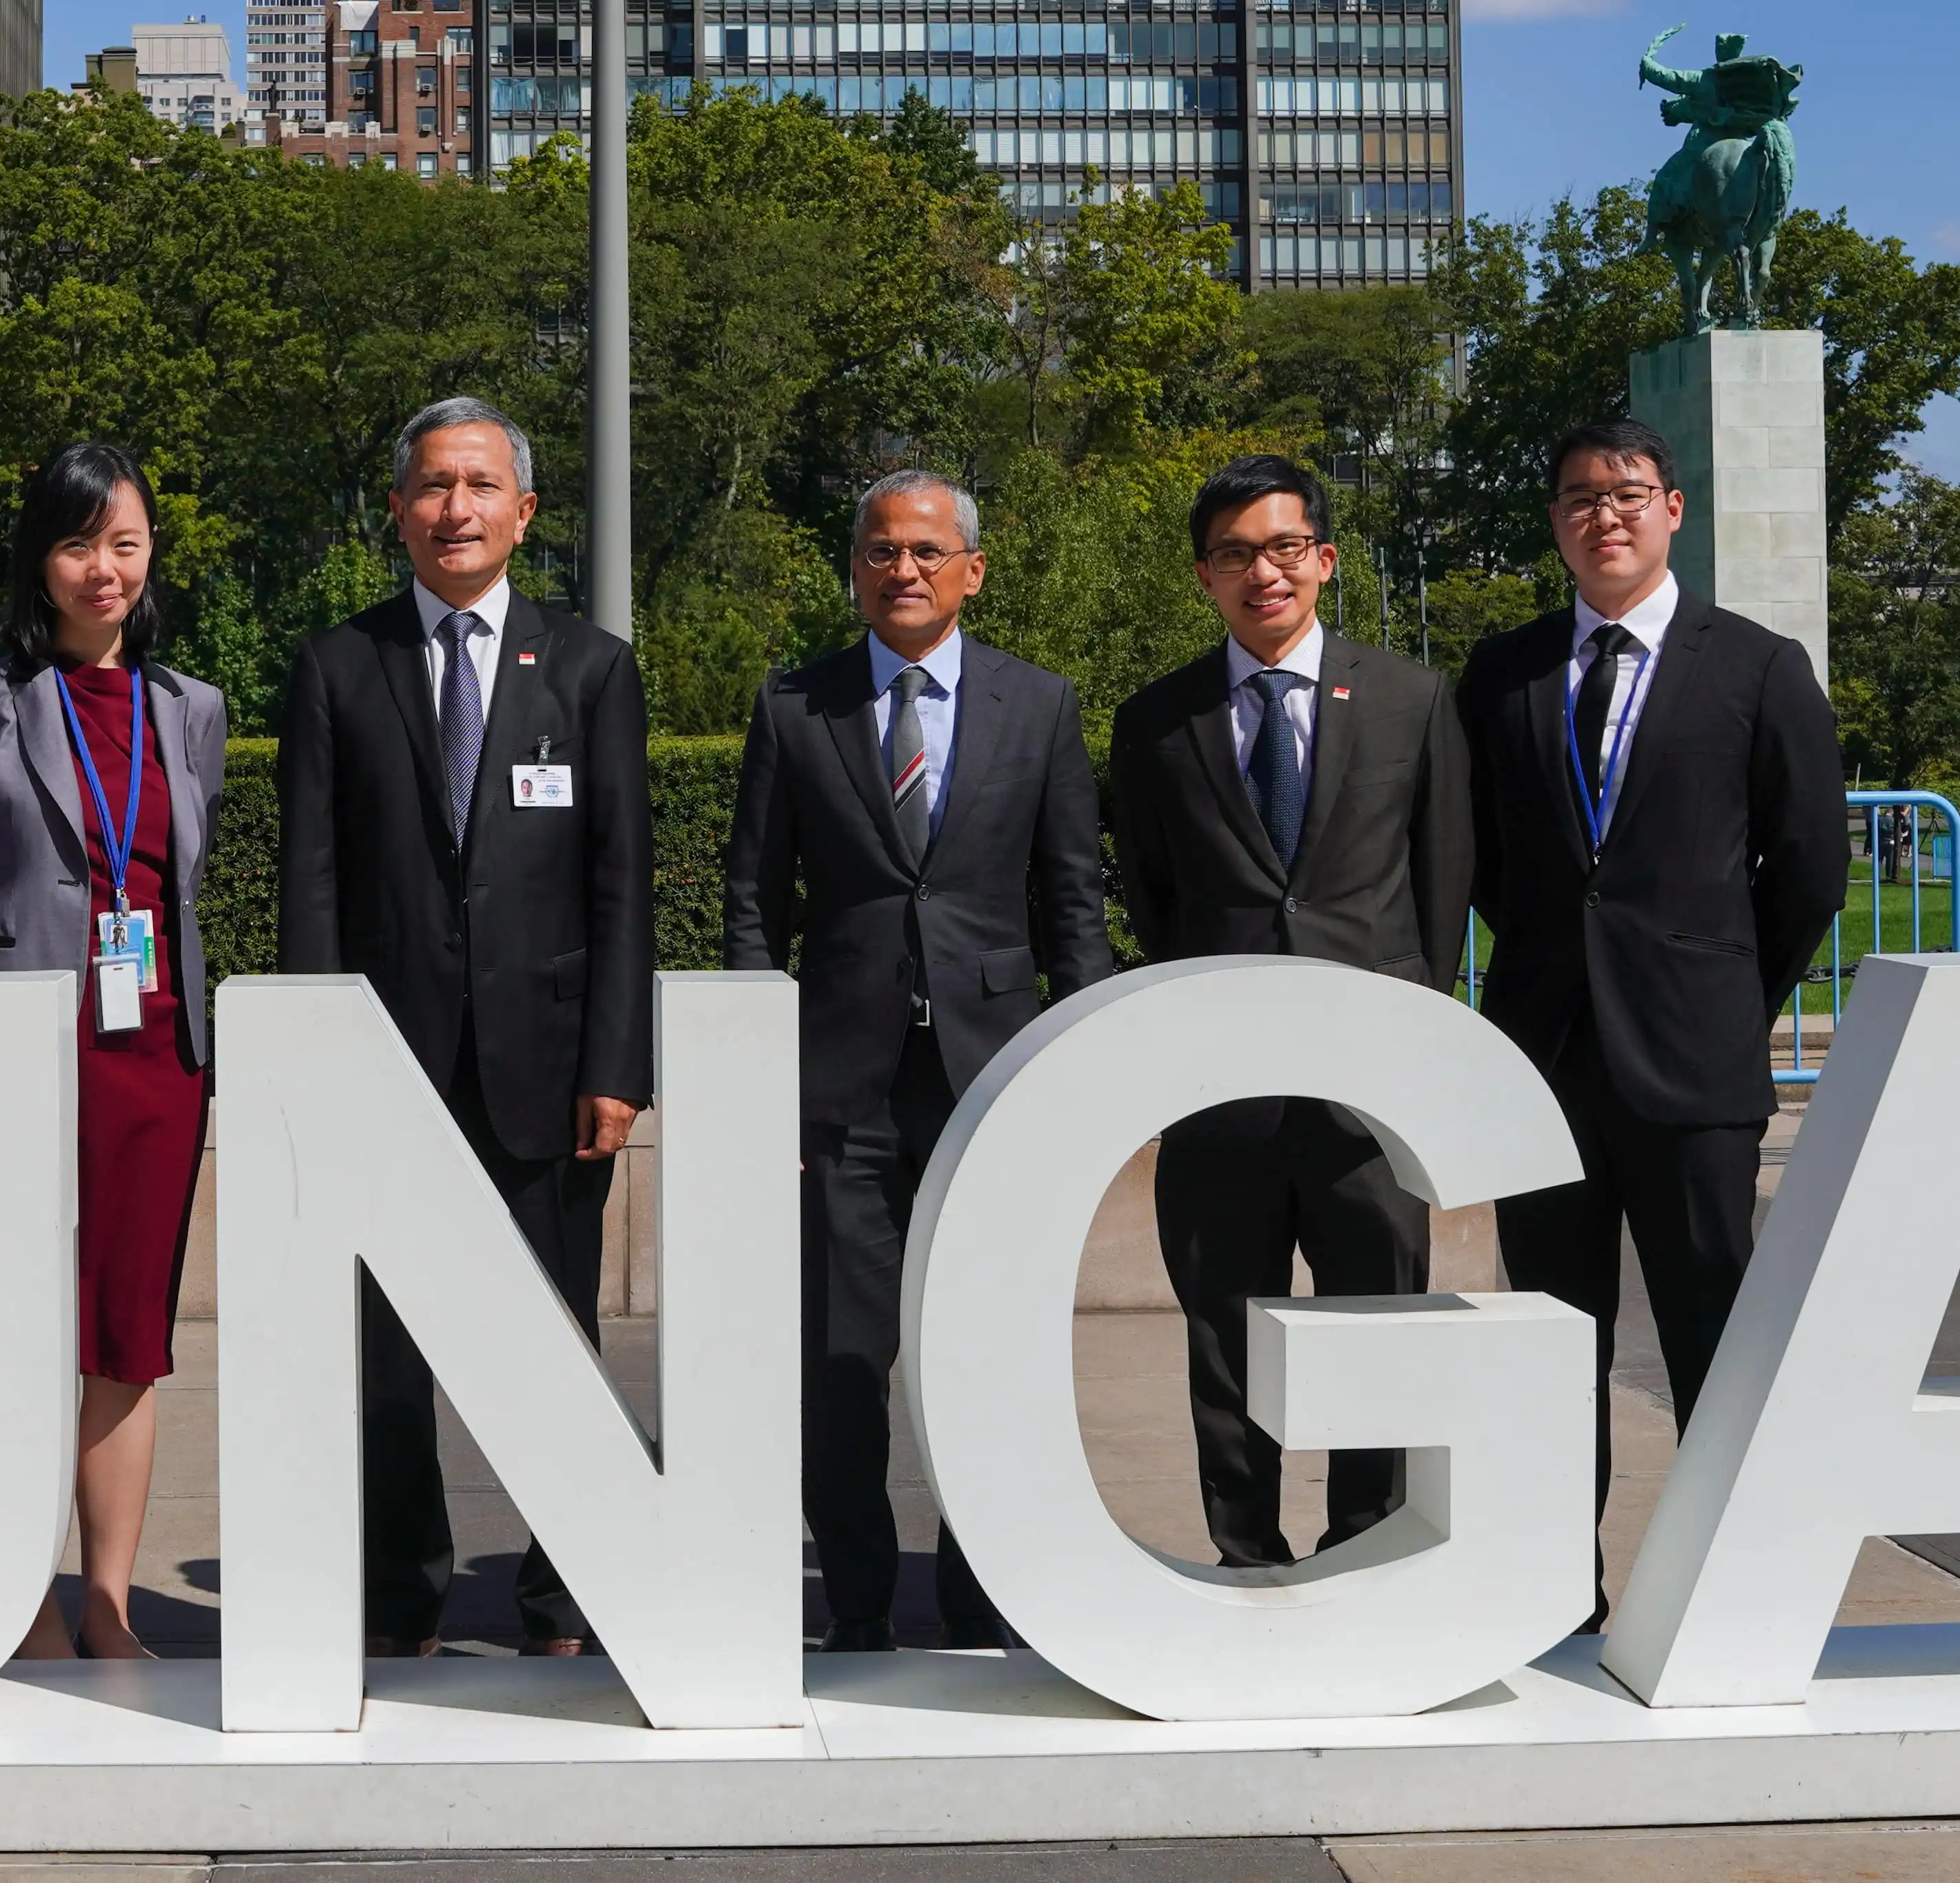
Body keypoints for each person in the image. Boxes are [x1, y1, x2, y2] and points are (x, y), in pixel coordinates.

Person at [278, 397, 653, 1658]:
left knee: (557, 1342)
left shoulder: (592, 669)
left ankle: (567, 1598)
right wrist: (318, 1066)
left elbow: (621, 886)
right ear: (398, 509)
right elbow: (312, 885)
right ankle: (399, 1603)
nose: (456, 508)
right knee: (385, 1359)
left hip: (547, 1075)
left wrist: (618, 1064)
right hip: (385, 1075)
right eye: (433, 484)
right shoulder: (339, 666)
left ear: (524, 511)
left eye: (481, 484)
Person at [1456, 417, 1845, 1626]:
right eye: (1578, 496)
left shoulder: (1758, 666)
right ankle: (1556, 1596)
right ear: (1556, 522)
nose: (1603, 513)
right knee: (1548, 1354)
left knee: (1713, 1344)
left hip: (1692, 1068)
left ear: (1676, 509)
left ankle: (1731, 1599)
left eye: (1627, 493)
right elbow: (1489, 863)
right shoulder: (1503, 673)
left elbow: (1814, 868)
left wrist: (1722, 989)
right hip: (1547, 1066)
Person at [724, 468, 1110, 1651]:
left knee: (988, 1355)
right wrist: (754, 1081)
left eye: (928, 552)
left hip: (994, 1085)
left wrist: (1085, 1078)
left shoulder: (1039, 706)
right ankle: (853, 1607)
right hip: (840, 1089)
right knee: (844, 1367)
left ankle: (984, 1599)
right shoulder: (798, 707)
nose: (905, 570)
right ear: (855, 568)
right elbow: (752, 901)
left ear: (972, 570)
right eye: (882, 551)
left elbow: (1071, 904)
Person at [1107, 455, 1472, 1572]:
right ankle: (1247, 1553)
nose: (1261, 572)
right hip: (1223, 1092)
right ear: (1204, 576)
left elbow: (1441, 881)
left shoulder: (1411, 698)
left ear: (1323, 557)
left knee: (1379, 1335)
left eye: (1281, 548)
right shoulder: (1157, 720)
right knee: (1226, 1337)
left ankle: (1364, 1542)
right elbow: (1155, 899)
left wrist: (1411, 1039)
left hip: (1373, 1094)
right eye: (1232, 555)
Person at [0, 441, 228, 1663]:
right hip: (19, 1053)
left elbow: (174, 880)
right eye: (80, 543)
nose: (106, 569)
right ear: (40, 559)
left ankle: (108, 1596)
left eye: (127, 543)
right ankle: (17, 1587)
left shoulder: (188, 708)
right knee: (19, 1326)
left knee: (125, 1334)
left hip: (157, 1057)